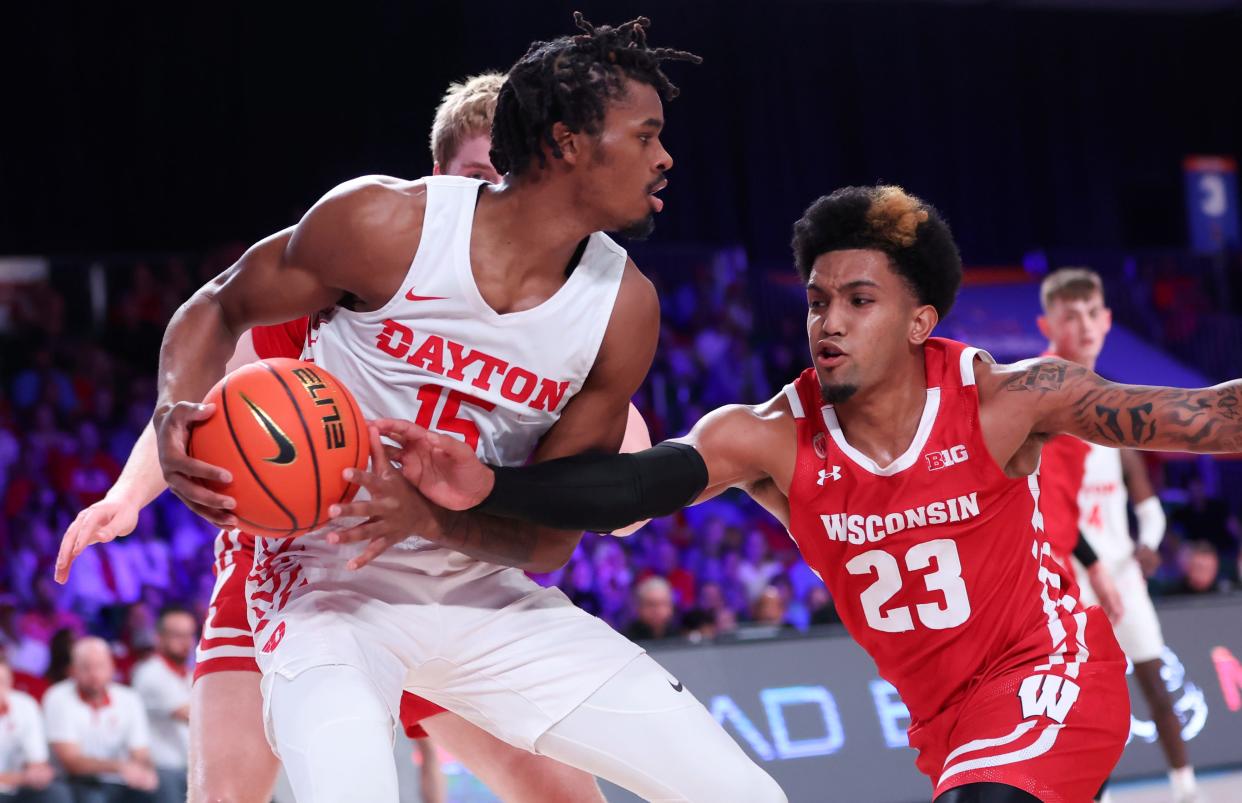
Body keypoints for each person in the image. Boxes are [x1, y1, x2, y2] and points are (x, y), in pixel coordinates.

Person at [379, 185, 1242, 802]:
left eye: (858, 300)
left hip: (1051, 672)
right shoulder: (766, 434)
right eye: (817, 298)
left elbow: (1208, 416)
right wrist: (491, 483)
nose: (827, 319)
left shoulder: (1006, 399)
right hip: (946, 723)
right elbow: (633, 485)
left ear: (919, 321)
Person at [151, 14, 782, 803]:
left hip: (488, 594)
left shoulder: (623, 307)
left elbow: (549, 543)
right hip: (327, 585)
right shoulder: (384, 224)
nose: (666, 157)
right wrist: (174, 407)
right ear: (568, 143)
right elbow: (216, 307)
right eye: (646, 133)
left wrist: (433, 517)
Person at [55, 72, 613, 802]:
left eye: (508, 178)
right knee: (222, 796)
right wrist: (129, 493)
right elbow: (216, 391)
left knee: (569, 796)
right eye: (477, 175)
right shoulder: (362, 268)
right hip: (297, 567)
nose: (492, 197)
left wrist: (622, 493)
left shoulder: (553, 307)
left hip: (437, 577)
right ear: (438, 177)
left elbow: (615, 429)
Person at [1035, 267, 1200, 803]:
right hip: (1069, 576)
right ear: (1047, 324)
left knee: (1153, 679)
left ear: (1107, 322)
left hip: (1120, 571)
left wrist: (1147, 547)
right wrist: (1093, 564)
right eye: (1069, 316)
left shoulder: (1112, 412)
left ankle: (1186, 787)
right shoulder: (1041, 398)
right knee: (1085, 703)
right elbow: (1042, 506)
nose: (1082, 325)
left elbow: (1147, 506)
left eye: (1090, 314)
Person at [42, 638, 157, 802]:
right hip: (72, 781)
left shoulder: (130, 698)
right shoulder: (57, 697)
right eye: (86, 667)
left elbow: (141, 751)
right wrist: (120, 767)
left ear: (112, 667)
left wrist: (145, 770)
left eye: (100, 666)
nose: (94, 674)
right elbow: (71, 762)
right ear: (73, 670)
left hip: (120, 780)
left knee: (155, 790)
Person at [130, 608, 195, 803]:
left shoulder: (192, 674)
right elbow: (192, 716)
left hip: (190, 767)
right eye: (177, 635)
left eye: (189, 634)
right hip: (162, 768)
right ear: (159, 638)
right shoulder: (149, 673)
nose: (185, 642)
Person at [0, 656, 67, 803]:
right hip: (15, 783)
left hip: (19, 787)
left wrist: (38, 772)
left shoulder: (25, 705)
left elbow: (37, 760)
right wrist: (22, 777)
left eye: (2, 682)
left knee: (57, 793)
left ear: (10, 682)